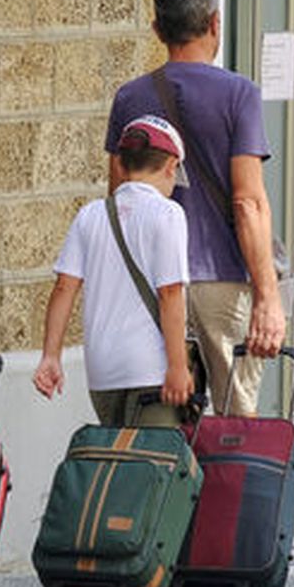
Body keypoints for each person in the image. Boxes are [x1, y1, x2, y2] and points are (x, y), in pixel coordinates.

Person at [104, 0, 285, 418]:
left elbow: (117, 197)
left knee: (158, 423)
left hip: (151, 283)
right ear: (215, 24)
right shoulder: (238, 93)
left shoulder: (130, 97)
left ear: (157, 29)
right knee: (233, 424)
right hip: (220, 278)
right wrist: (267, 295)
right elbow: (247, 203)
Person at [33, 116, 195, 428]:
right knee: (150, 468)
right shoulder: (168, 214)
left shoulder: (90, 215)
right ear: (171, 166)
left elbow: (64, 288)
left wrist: (50, 355)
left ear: (119, 165)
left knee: (117, 465)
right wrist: (177, 365)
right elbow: (170, 293)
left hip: (102, 372)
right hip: (151, 369)